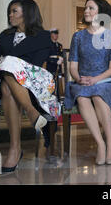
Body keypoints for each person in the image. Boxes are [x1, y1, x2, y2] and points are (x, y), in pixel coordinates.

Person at [0, 0, 60, 173]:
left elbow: (37, 66)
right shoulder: (5, 36)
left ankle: (15, 149)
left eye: (14, 11)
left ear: (27, 13)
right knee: (7, 80)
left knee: (8, 68)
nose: (10, 14)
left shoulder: (43, 36)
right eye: (10, 11)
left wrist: (4, 63)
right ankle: (31, 113)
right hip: (4, 85)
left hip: (32, 86)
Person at [65, 0, 111, 165]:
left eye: (91, 8)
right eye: (86, 8)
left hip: (104, 80)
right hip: (82, 81)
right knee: (82, 97)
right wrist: (80, 79)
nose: (86, 11)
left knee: (98, 95)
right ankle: (101, 144)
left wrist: (95, 80)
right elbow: (73, 67)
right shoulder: (78, 36)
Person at [42, 28, 64, 157]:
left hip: (57, 75)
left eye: (57, 34)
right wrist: (55, 61)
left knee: (55, 103)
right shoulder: (46, 45)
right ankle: (47, 136)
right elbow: (46, 59)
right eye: (54, 34)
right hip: (47, 75)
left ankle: (53, 130)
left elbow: (61, 57)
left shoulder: (59, 46)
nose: (55, 36)